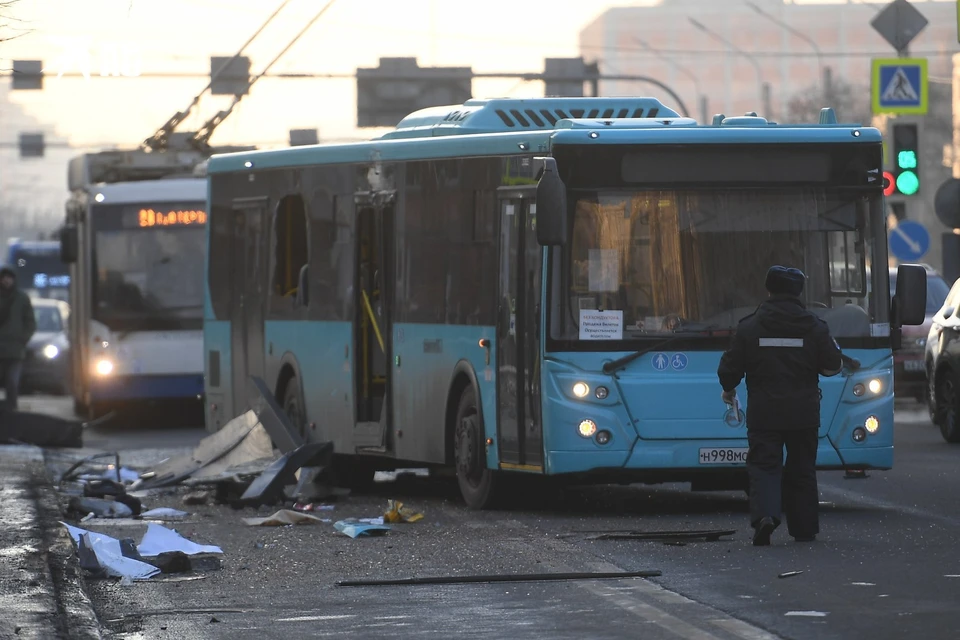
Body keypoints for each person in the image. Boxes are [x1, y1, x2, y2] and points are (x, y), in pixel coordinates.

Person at [717, 266, 842, 546]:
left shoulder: (750, 326)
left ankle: (766, 517)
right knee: (802, 469)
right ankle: (804, 528)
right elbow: (833, 365)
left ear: (768, 290)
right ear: (798, 292)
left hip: (765, 413)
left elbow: (729, 367)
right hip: (804, 413)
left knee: (764, 466)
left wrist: (729, 389)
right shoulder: (815, 326)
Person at [0, 266, 37, 412]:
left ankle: (12, 410)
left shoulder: (21, 298)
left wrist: (22, 339)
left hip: (15, 351)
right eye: (4, 278)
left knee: (12, 383)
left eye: (9, 278)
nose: (6, 281)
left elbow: (30, 323)